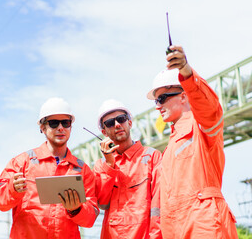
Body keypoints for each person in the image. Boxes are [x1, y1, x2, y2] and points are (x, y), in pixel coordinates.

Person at [146, 45, 238, 238]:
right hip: (176, 229)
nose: (158, 106)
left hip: (204, 227)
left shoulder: (202, 126)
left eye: (162, 98)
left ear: (183, 95)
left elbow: (209, 107)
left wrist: (186, 73)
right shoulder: (170, 147)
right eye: (155, 101)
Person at [0, 97, 99, 239]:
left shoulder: (82, 170)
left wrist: (76, 209)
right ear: (42, 127)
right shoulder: (23, 162)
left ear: (70, 127)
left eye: (65, 123)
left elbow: (90, 219)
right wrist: (12, 189)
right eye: (54, 123)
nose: (60, 128)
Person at [93, 99, 162, 239]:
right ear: (104, 132)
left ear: (129, 123)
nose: (117, 125)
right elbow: (102, 203)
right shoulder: (102, 165)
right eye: (110, 123)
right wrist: (110, 165)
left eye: (121, 119)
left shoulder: (152, 156)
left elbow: (159, 205)